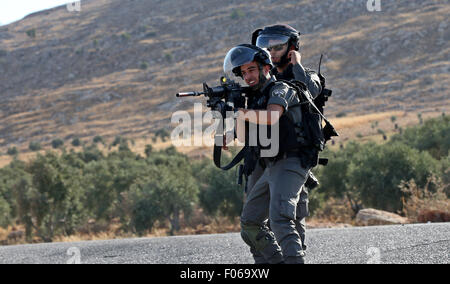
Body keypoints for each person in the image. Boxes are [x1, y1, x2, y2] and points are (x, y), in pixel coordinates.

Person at [223, 44, 317, 264]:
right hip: (271, 164)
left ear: (266, 68)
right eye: (243, 72)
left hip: (292, 161)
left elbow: (272, 117)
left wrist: (242, 113)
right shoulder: (256, 99)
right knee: (250, 223)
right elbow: (246, 139)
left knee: (280, 219)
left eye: (252, 70)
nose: (247, 76)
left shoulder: (280, 89)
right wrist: (234, 121)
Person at [252, 24, 322, 255]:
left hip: (294, 156)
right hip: (263, 156)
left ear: (291, 48)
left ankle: (295, 257)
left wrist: (297, 65)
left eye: (278, 47)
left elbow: (310, 90)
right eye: (266, 46)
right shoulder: (263, 81)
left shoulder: (307, 74)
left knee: (288, 215)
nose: (271, 52)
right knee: (255, 220)